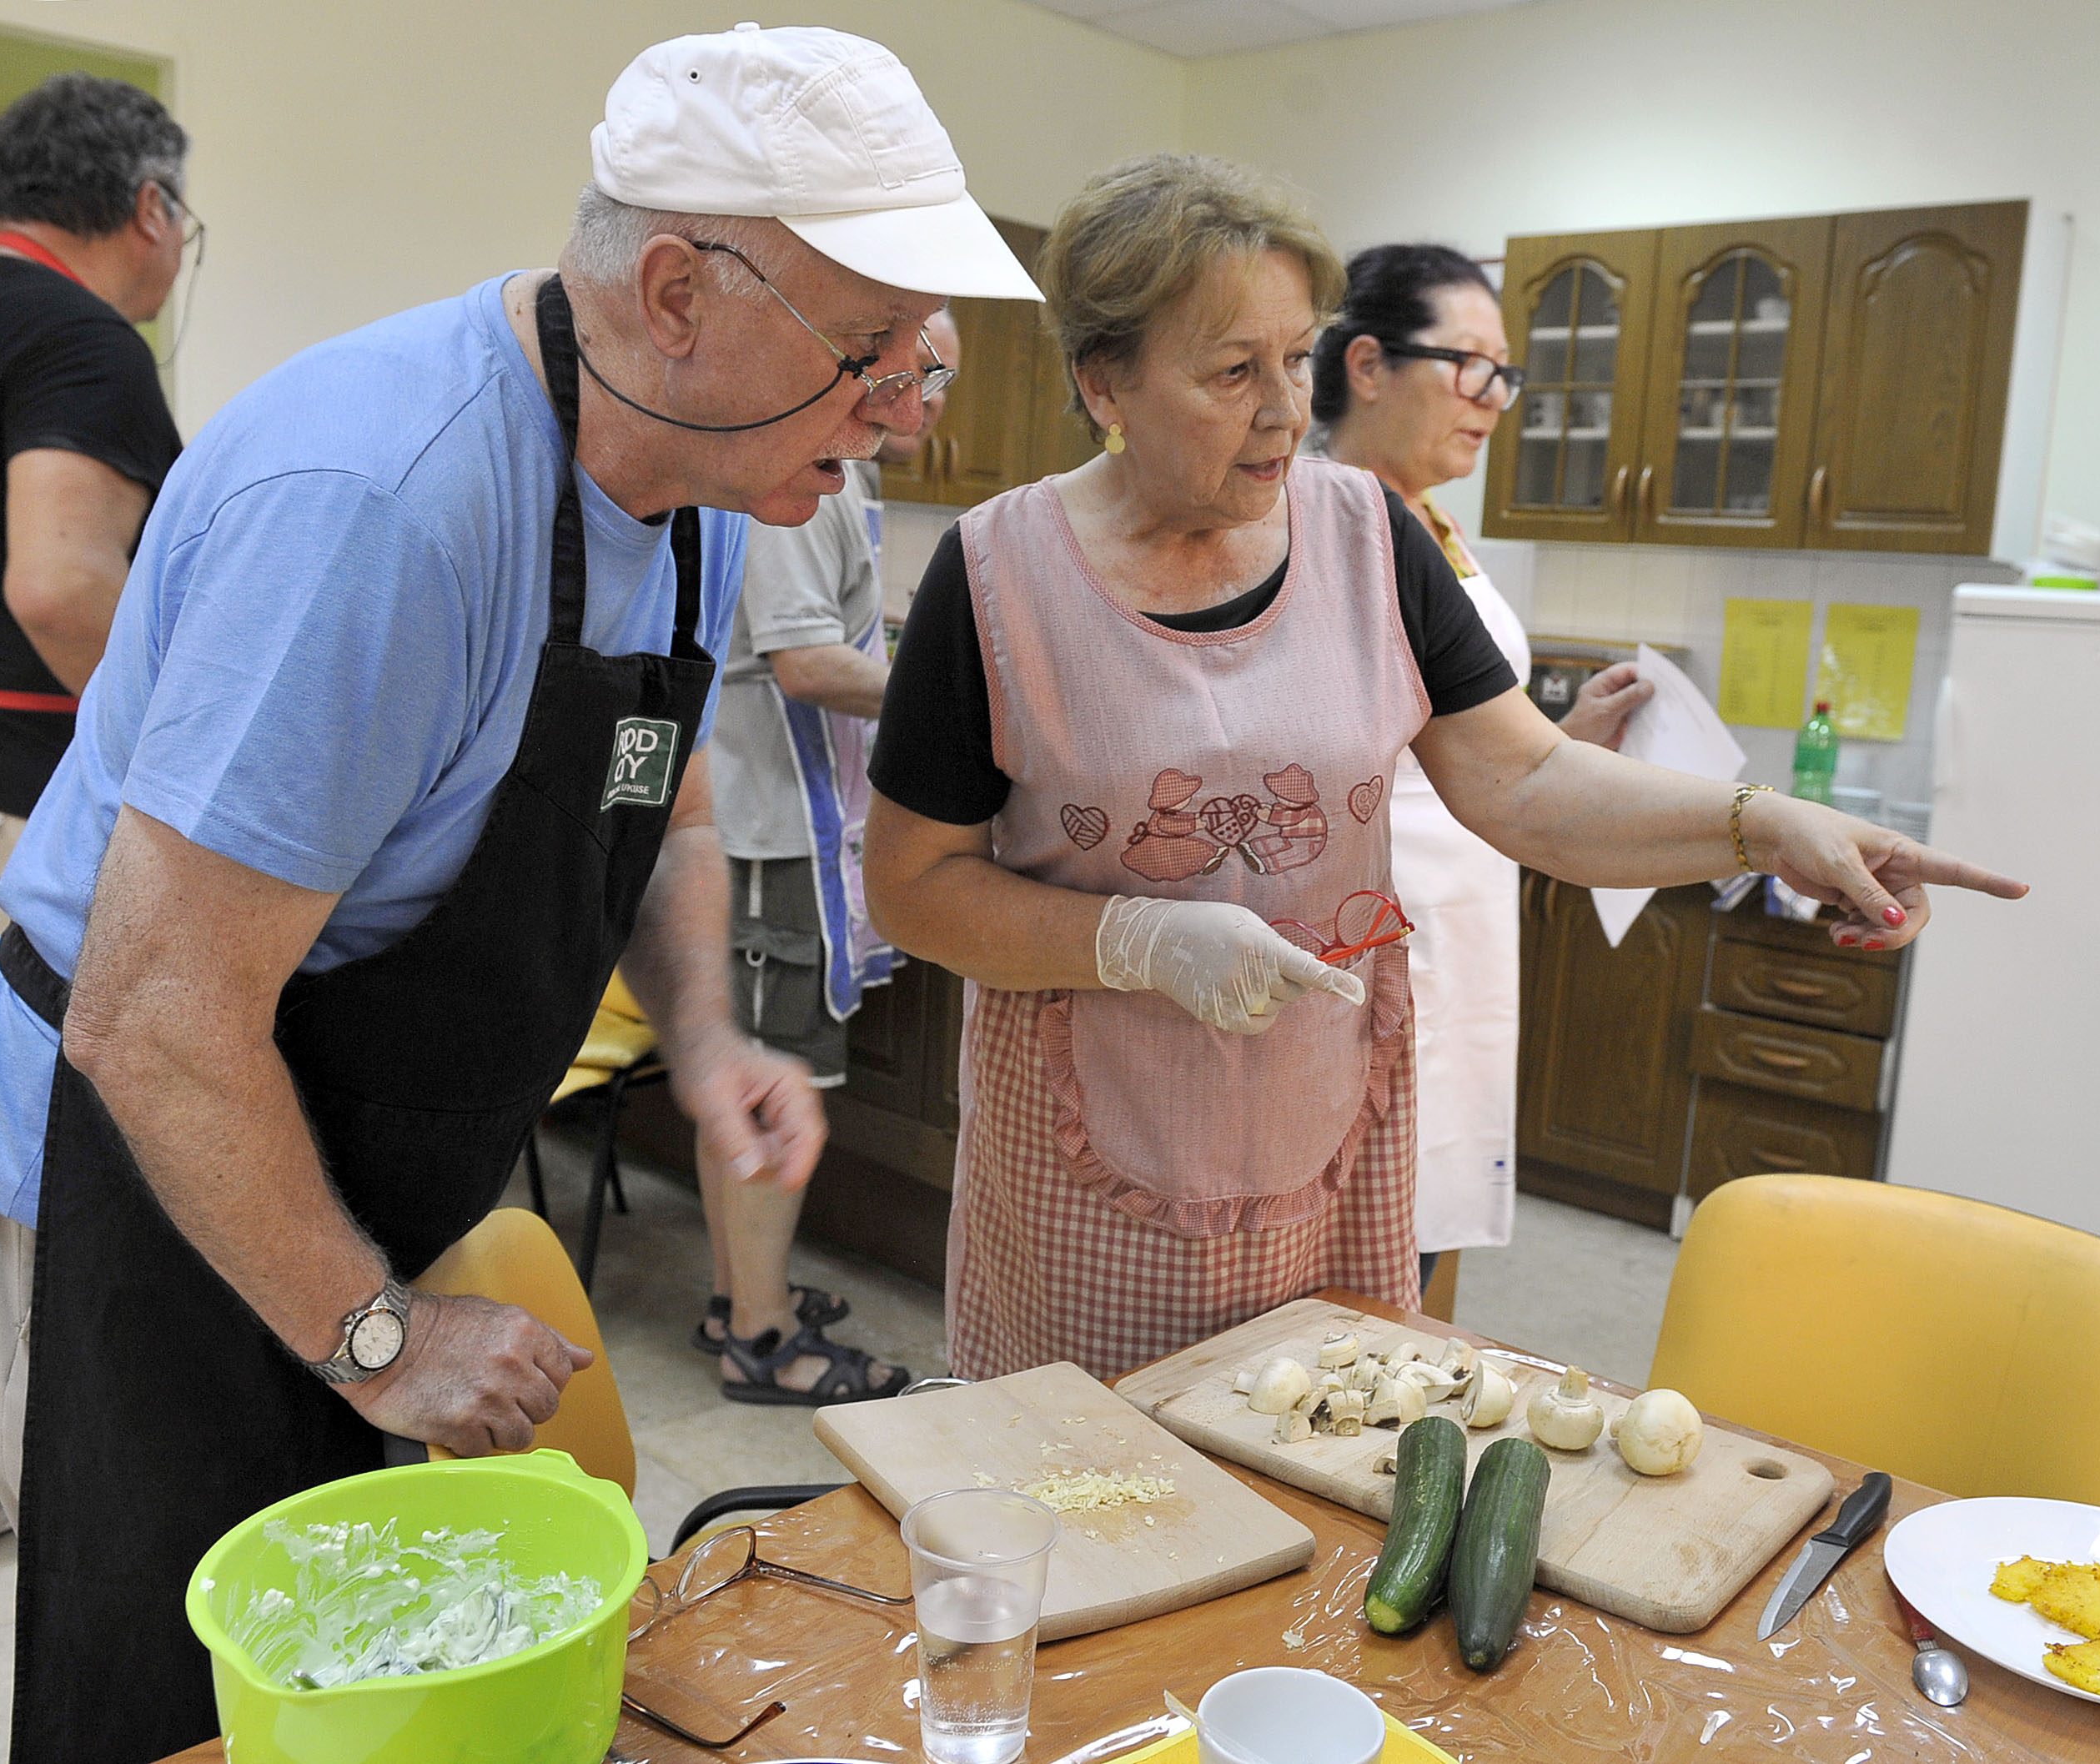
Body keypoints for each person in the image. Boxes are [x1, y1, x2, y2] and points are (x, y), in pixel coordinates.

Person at [0, 26, 1038, 1762]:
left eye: (918, 358)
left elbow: (652, 794)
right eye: (869, 352)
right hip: (136, 1144)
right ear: (675, 290)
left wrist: (701, 1026)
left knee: (373, 1658)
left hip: (337, 1134)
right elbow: (155, 1018)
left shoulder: (711, 480)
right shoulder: (380, 508)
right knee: (185, 1669)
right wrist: (376, 1331)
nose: (901, 410)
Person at [862, 153, 2025, 1384]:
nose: (1282, 410)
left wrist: (1766, 822)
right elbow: (914, 884)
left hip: (1324, 1137)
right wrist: (1137, 940)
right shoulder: (995, 575)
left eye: (1295, 358)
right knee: (1096, 1499)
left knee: (1316, 1475)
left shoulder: (1372, 536)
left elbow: (1526, 783)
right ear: (1105, 380)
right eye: (1228, 372)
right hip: (1087, 1163)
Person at [0, 73, 189, 1596]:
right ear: (148, 209)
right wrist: (180, 766)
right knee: (6, 1166)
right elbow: (64, 586)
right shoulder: (78, 339)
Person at [1312, 243, 1651, 1297]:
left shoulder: (1437, 529)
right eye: (1469, 366)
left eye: (1502, 374)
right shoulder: (1316, 524)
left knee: (1415, 1232)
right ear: (1366, 366)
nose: (1493, 400)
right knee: (1343, 1244)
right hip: (1367, 924)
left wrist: (1562, 743)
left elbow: (1458, 731)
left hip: (1459, 916)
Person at [693, 314, 960, 1403]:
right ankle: (757, 1334)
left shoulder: (843, 474)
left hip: (795, 822)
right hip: (769, 830)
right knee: (771, 1081)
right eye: (921, 369)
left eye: (942, 375)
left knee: (769, 1073)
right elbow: (806, 662)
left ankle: (741, 1292)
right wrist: (958, 698)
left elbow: (832, 636)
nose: (933, 395)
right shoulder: (800, 479)